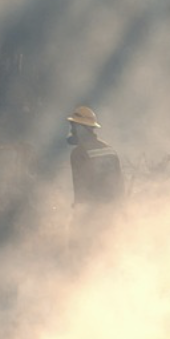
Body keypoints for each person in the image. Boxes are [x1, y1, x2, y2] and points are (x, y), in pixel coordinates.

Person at [66, 105, 124, 253]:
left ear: (81, 128)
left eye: (74, 125)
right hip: (112, 214)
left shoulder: (79, 153)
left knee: (85, 255)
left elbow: (81, 190)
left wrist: (77, 220)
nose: (72, 130)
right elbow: (119, 184)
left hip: (91, 215)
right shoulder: (110, 150)